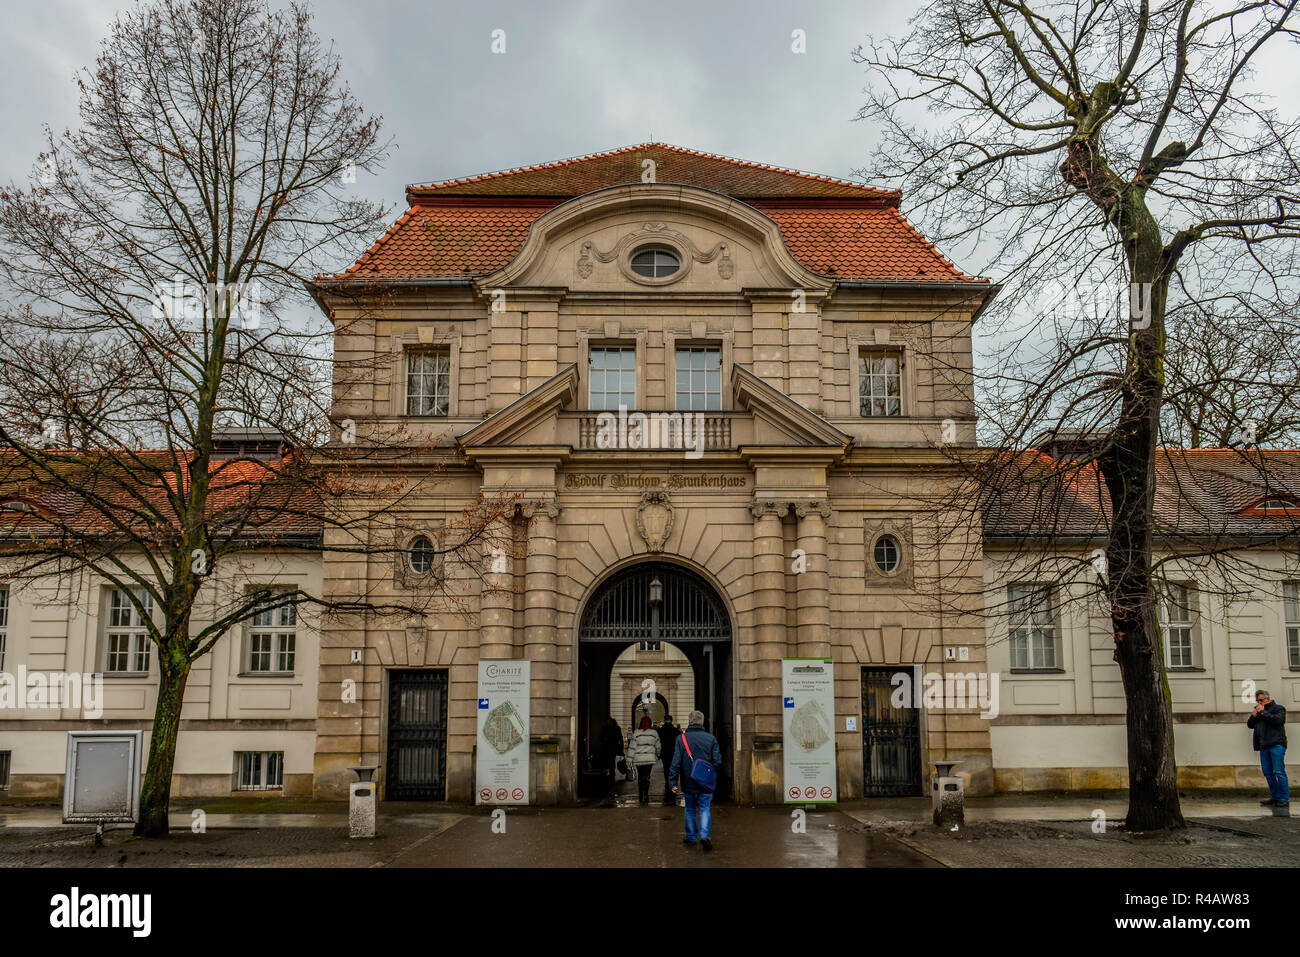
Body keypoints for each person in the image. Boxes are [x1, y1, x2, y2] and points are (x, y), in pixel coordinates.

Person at [668, 709, 723, 851]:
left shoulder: (681, 739)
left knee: (690, 808)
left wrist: (672, 782)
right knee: (705, 807)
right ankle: (705, 835)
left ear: (690, 721)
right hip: (705, 780)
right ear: (702, 722)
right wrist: (707, 770)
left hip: (688, 779)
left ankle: (692, 837)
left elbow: (676, 762)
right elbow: (718, 761)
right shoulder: (711, 738)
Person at [1248, 689, 1289, 807]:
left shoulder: (1278, 708)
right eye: (1257, 701)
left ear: (1268, 699)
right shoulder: (1259, 711)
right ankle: (1275, 797)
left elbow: (1278, 721)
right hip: (1264, 746)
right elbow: (1250, 725)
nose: (1259, 703)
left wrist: (1263, 712)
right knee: (1268, 773)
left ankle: (1284, 798)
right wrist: (1254, 715)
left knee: (1279, 772)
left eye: (1261, 700)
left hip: (1276, 745)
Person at [627, 715, 661, 804]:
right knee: (646, 777)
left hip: (639, 759)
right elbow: (658, 746)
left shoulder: (636, 733)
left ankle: (640, 794)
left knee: (640, 778)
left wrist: (629, 759)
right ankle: (645, 794)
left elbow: (632, 747)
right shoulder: (654, 733)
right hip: (649, 759)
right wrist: (658, 755)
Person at [657, 713, 680, 805]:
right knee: (673, 769)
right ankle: (673, 785)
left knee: (666, 768)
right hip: (674, 753)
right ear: (672, 720)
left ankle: (667, 783)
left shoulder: (660, 731)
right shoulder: (676, 731)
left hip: (664, 753)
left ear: (664, 720)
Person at [599, 716, 625, 791]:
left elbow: (620, 738)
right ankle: (610, 774)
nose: (608, 722)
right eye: (607, 721)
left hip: (613, 748)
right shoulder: (606, 728)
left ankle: (611, 774)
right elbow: (601, 737)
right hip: (607, 748)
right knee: (609, 761)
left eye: (609, 721)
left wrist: (621, 749)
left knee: (611, 761)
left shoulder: (616, 728)